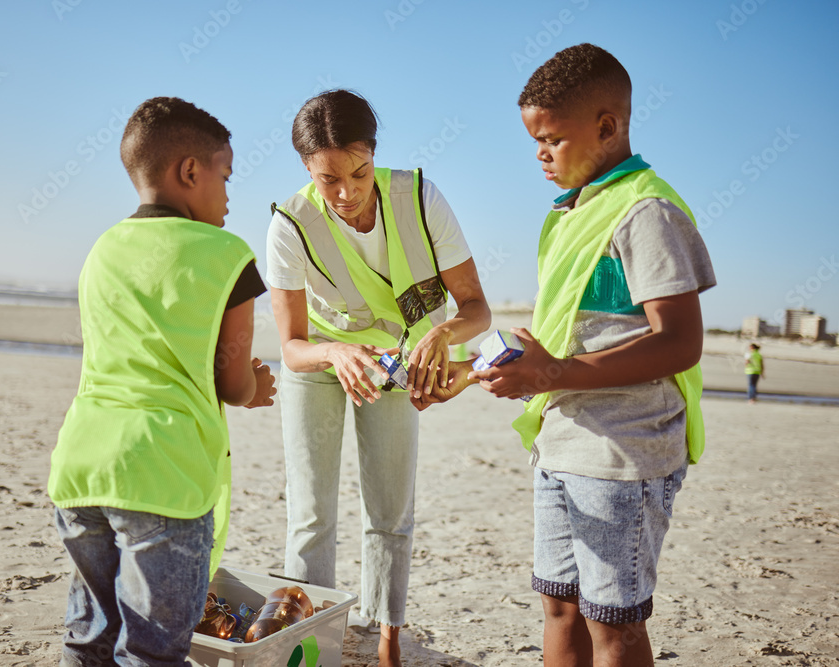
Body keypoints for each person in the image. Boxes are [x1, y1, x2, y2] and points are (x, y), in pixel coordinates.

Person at [424, 44, 717, 666]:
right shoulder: (567, 214)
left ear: (607, 127)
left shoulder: (645, 211)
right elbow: (569, 337)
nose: (540, 154)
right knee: (560, 605)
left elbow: (680, 341)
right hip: (562, 439)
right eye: (535, 140)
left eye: (552, 139)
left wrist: (548, 372)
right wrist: (482, 373)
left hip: (622, 452)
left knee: (614, 622)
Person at [47, 97, 276, 666]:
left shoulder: (102, 249)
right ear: (190, 171)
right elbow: (231, 380)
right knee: (152, 652)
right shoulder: (226, 253)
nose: (228, 194)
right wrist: (256, 388)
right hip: (163, 476)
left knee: (89, 636)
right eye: (225, 176)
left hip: (81, 467)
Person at [266, 89, 490, 667]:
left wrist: (440, 336)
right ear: (306, 170)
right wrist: (334, 354)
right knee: (311, 516)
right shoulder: (290, 223)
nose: (345, 193)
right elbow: (291, 348)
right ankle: (309, 647)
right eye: (327, 179)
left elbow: (475, 309)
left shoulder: (419, 197)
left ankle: (386, 636)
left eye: (359, 172)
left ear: (374, 155)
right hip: (321, 365)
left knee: (390, 511)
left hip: (397, 361)